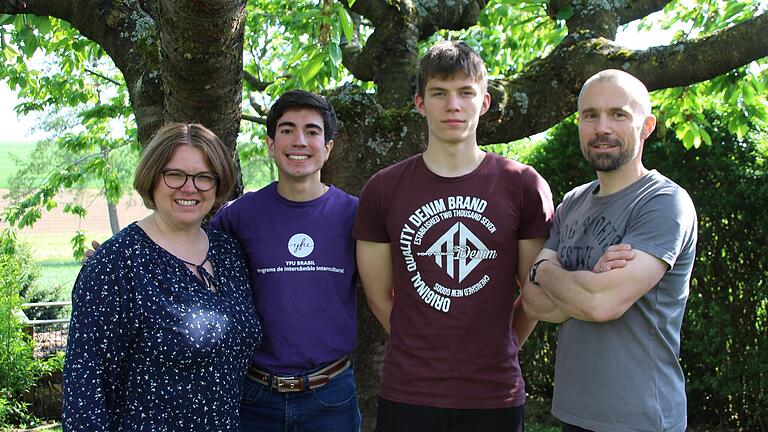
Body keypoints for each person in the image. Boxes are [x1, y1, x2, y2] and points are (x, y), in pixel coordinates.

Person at [353, 41, 554, 431]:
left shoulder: (522, 185)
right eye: (439, 93)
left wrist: (504, 343)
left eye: (466, 92)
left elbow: (535, 293)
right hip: (409, 392)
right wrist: (420, 342)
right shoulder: (383, 189)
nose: (453, 105)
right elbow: (379, 297)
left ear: (485, 102)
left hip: (494, 393)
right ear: (419, 103)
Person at [522, 69, 698, 432]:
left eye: (619, 114)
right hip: (574, 413)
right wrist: (586, 283)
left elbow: (600, 304)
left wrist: (546, 270)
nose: (602, 127)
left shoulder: (664, 203)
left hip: (642, 418)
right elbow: (534, 304)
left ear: (646, 125)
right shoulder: (572, 201)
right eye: (590, 115)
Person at [62, 123, 262, 431]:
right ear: (152, 178)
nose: (189, 187)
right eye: (175, 174)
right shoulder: (115, 264)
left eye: (204, 177)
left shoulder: (228, 252)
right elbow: (85, 391)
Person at [209, 90, 360, 431]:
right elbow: (190, 265)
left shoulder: (356, 215)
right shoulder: (239, 216)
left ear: (329, 147)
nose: (299, 141)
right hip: (255, 395)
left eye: (312, 131)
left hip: (331, 395)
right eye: (287, 130)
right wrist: (127, 256)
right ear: (270, 144)